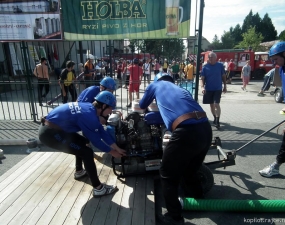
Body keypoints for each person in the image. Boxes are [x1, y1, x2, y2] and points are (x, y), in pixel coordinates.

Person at [139, 72, 212, 225]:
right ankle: (199, 199)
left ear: (157, 79)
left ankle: (174, 217)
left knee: (166, 174)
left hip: (186, 132)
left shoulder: (155, 85)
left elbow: (142, 105)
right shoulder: (181, 90)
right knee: (191, 169)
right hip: (205, 128)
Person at [38, 91, 126, 197]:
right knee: (87, 152)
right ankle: (98, 188)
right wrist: (112, 152)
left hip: (55, 129)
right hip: (50, 134)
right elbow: (96, 141)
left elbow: (101, 131)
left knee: (83, 142)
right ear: (103, 106)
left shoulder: (90, 108)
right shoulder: (89, 116)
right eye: (110, 108)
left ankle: (79, 171)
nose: (111, 111)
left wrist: (116, 148)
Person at [259, 41, 285, 177]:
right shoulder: (281, 69)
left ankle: (275, 167)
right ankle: (276, 166)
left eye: (276, 59)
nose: (275, 63)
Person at [200, 52, 227, 128]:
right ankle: (215, 117)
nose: (210, 59)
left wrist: (225, 86)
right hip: (209, 89)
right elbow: (202, 79)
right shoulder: (205, 67)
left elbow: (224, 76)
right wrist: (202, 87)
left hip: (217, 88)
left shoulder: (220, 66)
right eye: (209, 57)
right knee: (211, 105)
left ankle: (217, 121)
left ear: (216, 58)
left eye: (212, 57)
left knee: (216, 104)